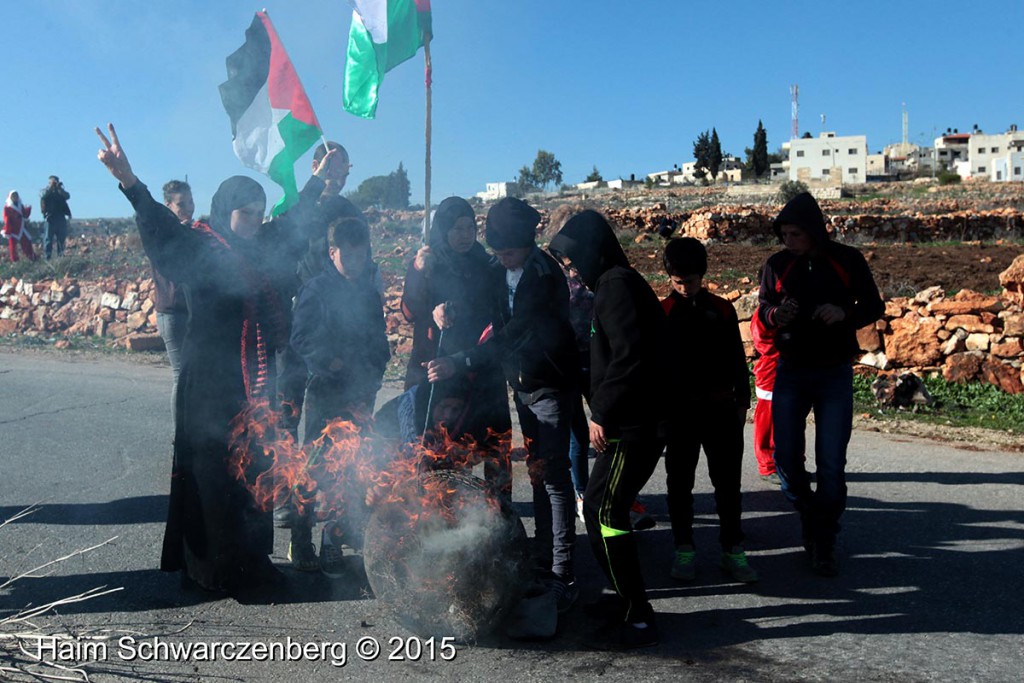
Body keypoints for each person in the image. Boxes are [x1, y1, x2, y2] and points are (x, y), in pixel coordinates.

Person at [95, 123, 334, 594]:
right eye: (247, 213)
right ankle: (211, 568)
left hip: (253, 381)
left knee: (255, 468)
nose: (255, 220)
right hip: (208, 383)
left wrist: (316, 181)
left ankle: (250, 561)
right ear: (227, 211)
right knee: (212, 474)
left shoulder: (263, 244)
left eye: (260, 212)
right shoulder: (198, 244)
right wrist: (128, 180)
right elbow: (158, 224)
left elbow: (295, 220)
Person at [425, 197, 580, 614]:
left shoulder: (545, 276)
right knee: (537, 471)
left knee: (552, 476)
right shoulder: (497, 268)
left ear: (527, 244)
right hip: (522, 384)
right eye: (497, 251)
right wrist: (449, 309)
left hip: (549, 382)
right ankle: (544, 559)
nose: (502, 258)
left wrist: (463, 361)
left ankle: (562, 571)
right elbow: (479, 300)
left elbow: (516, 334)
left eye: (509, 251)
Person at [548, 210, 669, 650]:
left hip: (633, 424)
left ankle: (638, 613)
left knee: (603, 510)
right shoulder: (614, 282)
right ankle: (626, 600)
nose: (572, 268)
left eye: (574, 258)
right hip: (631, 420)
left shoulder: (616, 285)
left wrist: (600, 411)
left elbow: (630, 356)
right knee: (603, 509)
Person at [757, 191, 884, 577]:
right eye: (784, 234)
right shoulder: (777, 265)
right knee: (785, 459)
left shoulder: (847, 259)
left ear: (814, 231)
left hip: (833, 373)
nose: (788, 242)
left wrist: (843, 311)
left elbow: (874, 307)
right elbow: (762, 308)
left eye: (795, 234)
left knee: (831, 464)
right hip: (791, 370)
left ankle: (823, 538)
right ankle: (811, 515)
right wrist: (778, 313)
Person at [287, 216, 391, 576]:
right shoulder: (315, 290)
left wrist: (377, 370)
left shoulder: (366, 291)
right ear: (332, 253)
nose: (356, 263)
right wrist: (330, 362)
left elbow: (380, 337)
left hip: (361, 391)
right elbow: (300, 338)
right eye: (349, 256)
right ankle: (300, 541)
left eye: (362, 256)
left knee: (350, 468)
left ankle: (332, 541)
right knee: (314, 469)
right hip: (326, 393)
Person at [659, 238, 757, 584]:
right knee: (680, 484)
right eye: (679, 282)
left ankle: (733, 551)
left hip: (721, 410)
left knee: (728, 484)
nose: (686, 288)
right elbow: (657, 368)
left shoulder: (723, 310)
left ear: (703, 275)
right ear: (670, 277)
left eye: (692, 281)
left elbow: (736, 358)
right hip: (680, 414)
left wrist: (743, 401)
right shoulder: (663, 313)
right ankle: (684, 549)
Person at [401, 196, 512, 494]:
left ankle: (500, 510)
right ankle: (437, 508)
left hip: (480, 364)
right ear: (443, 229)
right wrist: (418, 272)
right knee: (438, 445)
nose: (465, 235)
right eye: (457, 228)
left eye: (470, 227)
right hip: (437, 367)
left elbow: (493, 312)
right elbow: (410, 311)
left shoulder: (486, 264)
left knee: (493, 441)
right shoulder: (429, 261)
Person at [153, 180, 196, 423]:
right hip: (172, 312)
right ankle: (180, 437)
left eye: (190, 202)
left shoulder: (191, 231)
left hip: (190, 311)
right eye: (181, 204)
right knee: (181, 375)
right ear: (168, 205)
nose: (188, 208)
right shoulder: (162, 233)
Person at [750, 302, 781, 486]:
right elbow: (763, 343)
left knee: (792, 422)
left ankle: (790, 463)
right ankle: (768, 466)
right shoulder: (764, 315)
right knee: (767, 424)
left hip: (791, 372)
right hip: (771, 373)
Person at [40, 175, 71, 259]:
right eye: (52, 182)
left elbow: (67, 196)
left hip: (60, 217)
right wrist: (51, 188)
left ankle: (60, 257)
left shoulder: (60, 192)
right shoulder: (45, 191)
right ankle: (47, 258)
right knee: (48, 239)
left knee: (61, 239)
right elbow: (42, 195)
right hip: (50, 218)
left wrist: (59, 188)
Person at [3, 191, 37, 262]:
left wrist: (28, 210)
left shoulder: (20, 205)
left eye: (16, 196)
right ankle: (15, 260)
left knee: (27, 241)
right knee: (13, 246)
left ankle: (31, 257)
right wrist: (7, 228)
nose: (15, 197)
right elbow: (6, 218)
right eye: (13, 196)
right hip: (13, 229)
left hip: (21, 227)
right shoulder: (8, 207)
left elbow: (25, 215)